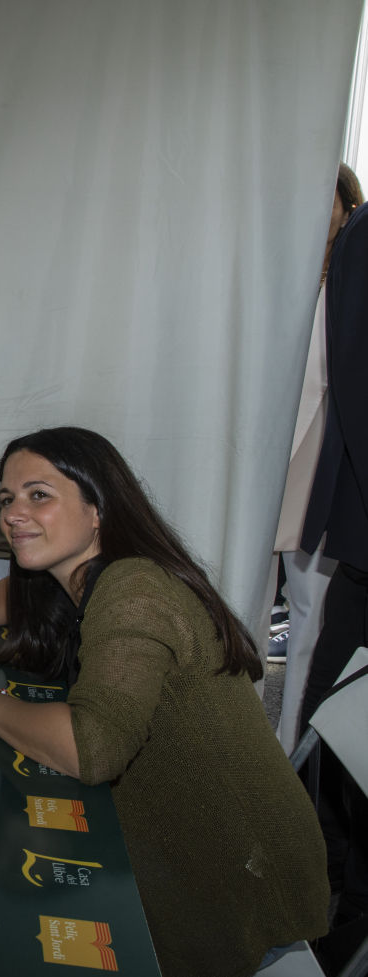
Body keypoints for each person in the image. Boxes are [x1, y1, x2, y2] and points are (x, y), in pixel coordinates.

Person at [0, 427, 328, 976]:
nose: (14, 513)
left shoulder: (135, 595)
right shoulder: (86, 571)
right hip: (197, 841)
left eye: (39, 495)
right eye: (8, 499)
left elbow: (88, 749)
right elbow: (17, 592)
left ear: (98, 509)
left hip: (236, 876)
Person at [273, 163, 361, 750]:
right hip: (271, 455)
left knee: (311, 611)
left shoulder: (352, 265)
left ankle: (290, 744)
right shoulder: (280, 273)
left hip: (323, 457)